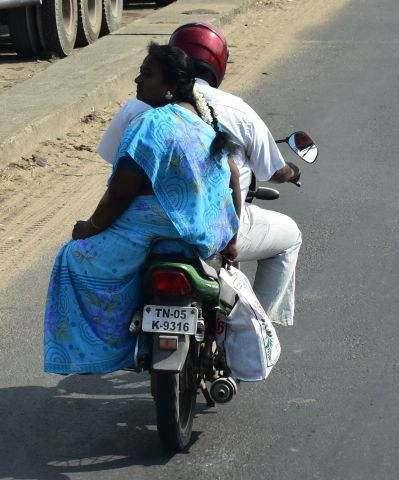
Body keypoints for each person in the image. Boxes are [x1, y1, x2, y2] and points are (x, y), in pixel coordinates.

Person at [44, 43, 241, 375]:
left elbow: (121, 194)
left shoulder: (151, 123)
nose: (137, 80)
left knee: (71, 257)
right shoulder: (203, 124)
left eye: (147, 74)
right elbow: (233, 175)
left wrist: (90, 228)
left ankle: (107, 350)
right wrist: (231, 239)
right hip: (203, 235)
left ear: (169, 85)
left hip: (150, 227)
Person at [97, 21, 302, 327]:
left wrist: (92, 227)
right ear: (218, 64)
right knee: (290, 237)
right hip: (210, 224)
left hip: (143, 224)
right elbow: (258, 172)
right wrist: (289, 172)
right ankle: (257, 327)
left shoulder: (140, 109)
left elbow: (115, 169)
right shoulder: (233, 111)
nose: (139, 79)